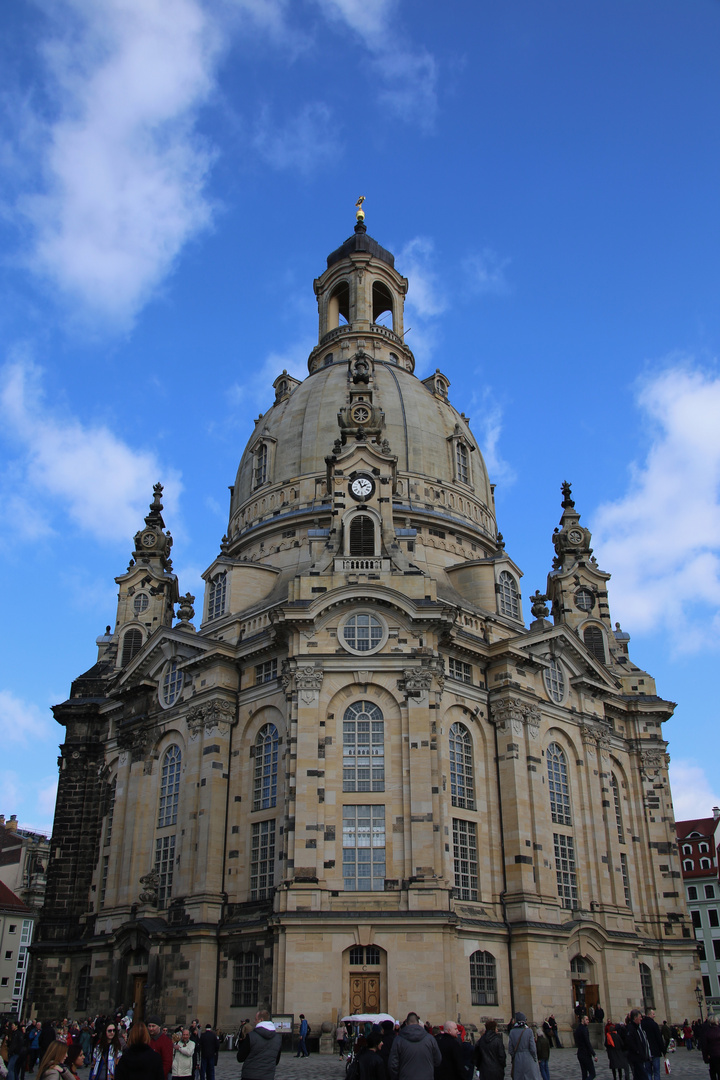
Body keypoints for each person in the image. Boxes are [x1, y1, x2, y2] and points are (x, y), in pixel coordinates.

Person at [388, 1013, 441, 1080]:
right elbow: (438, 1060)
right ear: (418, 1023)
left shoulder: (398, 1040)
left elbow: (393, 1065)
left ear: (406, 1023)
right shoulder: (430, 1039)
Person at [235, 1011, 282, 1080]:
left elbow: (240, 1057)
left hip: (250, 1076)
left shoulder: (251, 1036)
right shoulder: (278, 1038)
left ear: (261, 1020)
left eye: (255, 1019)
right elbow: (276, 1061)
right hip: (268, 1076)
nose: (254, 1022)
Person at [509, 1014, 539, 1080]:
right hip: (528, 1057)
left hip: (517, 1059)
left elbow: (510, 1049)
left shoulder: (512, 1032)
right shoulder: (529, 1031)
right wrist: (534, 1058)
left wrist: (514, 1056)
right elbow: (533, 1048)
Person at [624, 1010, 652, 1080]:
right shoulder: (631, 1028)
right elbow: (630, 1042)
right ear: (635, 1018)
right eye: (640, 1017)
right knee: (644, 1076)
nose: (641, 1018)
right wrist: (638, 1051)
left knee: (637, 1076)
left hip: (639, 1057)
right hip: (636, 1057)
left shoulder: (637, 1028)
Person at [642, 1009, 664, 1080]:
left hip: (646, 1052)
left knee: (648, 1072)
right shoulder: (654, 1024)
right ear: (649, 1015)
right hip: (655, 1051)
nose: (654, 1016)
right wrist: (663, 1050)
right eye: (653, 1014)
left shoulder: (641, 1024)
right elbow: (659, 1038)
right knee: (656, 1072)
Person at [702, 1015, 720, 1080]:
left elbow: (704, 1047)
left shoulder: (707, 1032)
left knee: (713, 1072)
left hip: (712, 1056)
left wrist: (705, 1057)